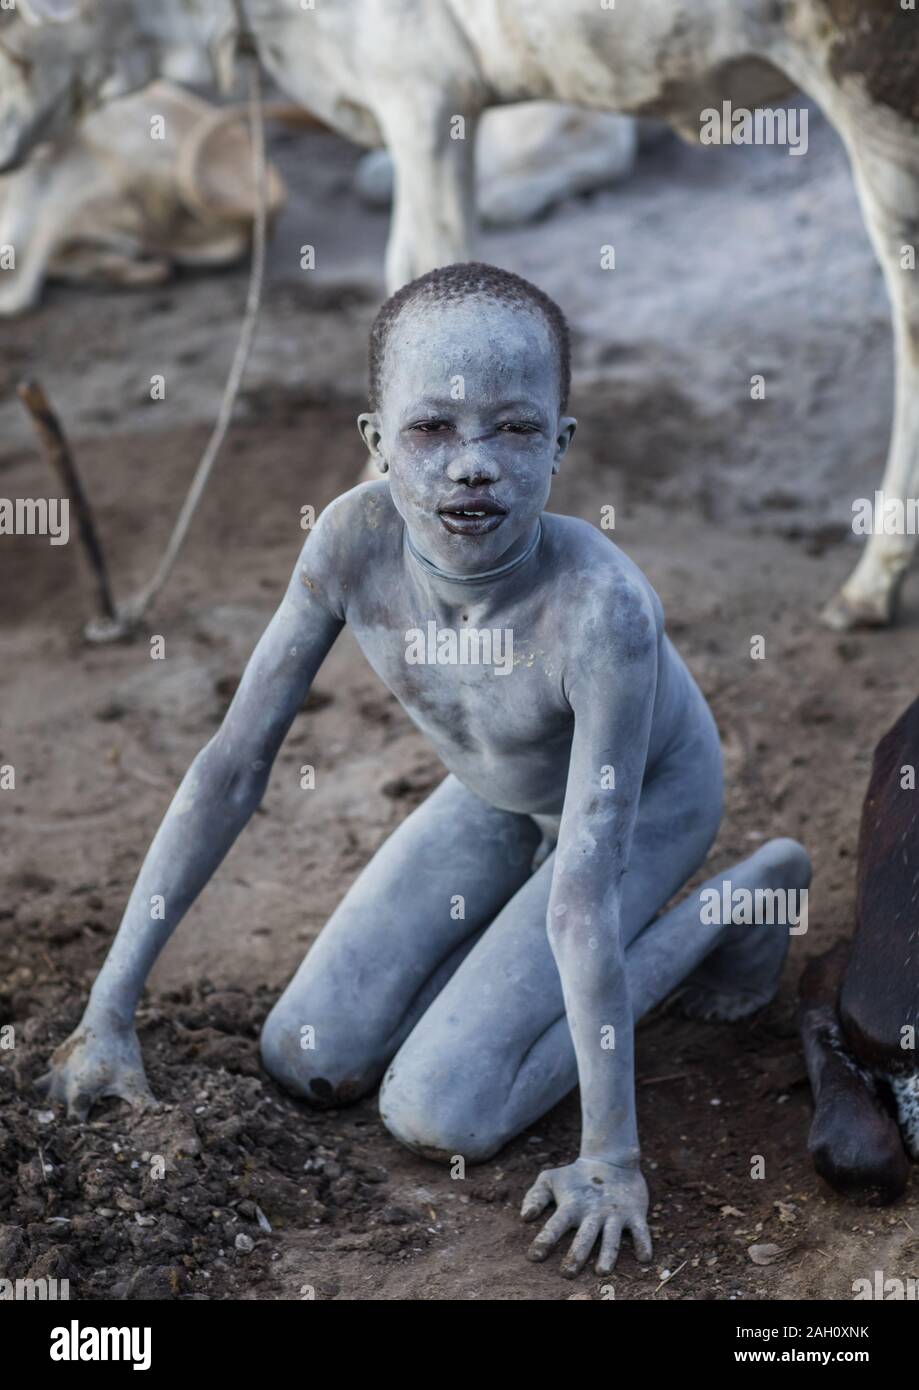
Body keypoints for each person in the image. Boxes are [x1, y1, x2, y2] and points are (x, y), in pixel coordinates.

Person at [39, 262, 810, 1278]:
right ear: (373, 443)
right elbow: (232, 769)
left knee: (441, 1108)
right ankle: (489, 970)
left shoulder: (601, 612)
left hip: (638, 810)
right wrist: (109, 1009)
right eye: (431, 430)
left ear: (561, 447)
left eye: (515, 429)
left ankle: (746, 894)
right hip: (496, 791)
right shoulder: (352, 543)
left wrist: (611, 1159)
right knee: (305, 1054)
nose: (474, 466)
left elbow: (579, 896)